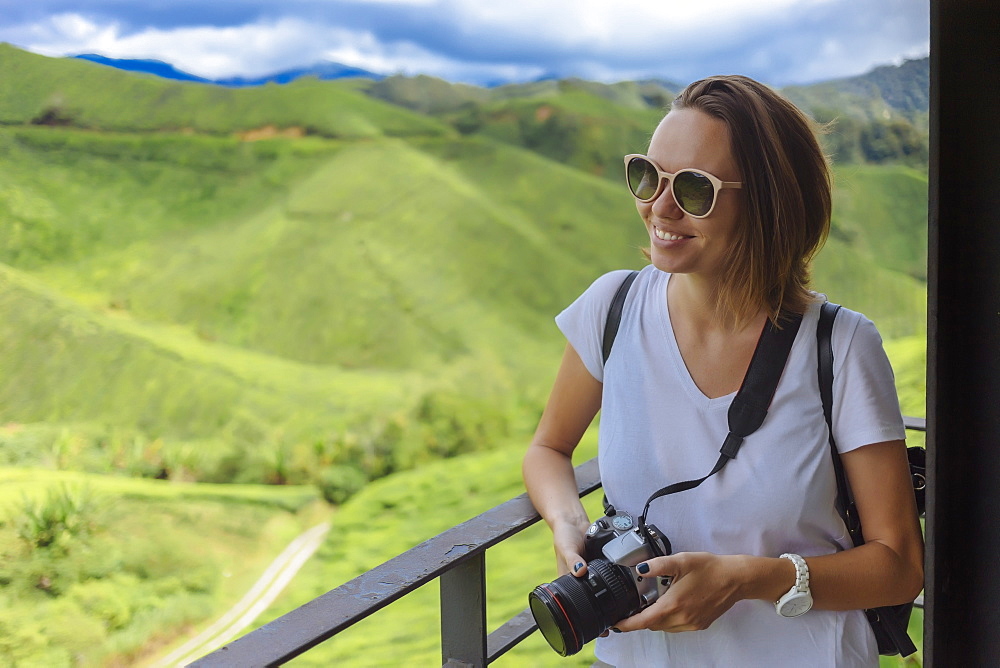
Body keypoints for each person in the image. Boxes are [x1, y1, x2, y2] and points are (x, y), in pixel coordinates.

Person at [522, 74, 924, 667]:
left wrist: (749, 579)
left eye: (693, 189)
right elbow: (548, 449)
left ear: (767, 203)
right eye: (646, 175)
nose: (658, 206)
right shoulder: (611, 310)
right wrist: (567, 522)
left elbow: (898, 568)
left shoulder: (841, 345)